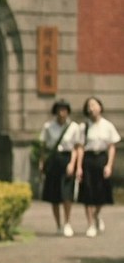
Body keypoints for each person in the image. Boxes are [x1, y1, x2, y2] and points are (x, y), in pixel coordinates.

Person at [77, 96, 120, 237]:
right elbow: (80, 147)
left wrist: (109, 165)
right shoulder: (84, 127)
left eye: (94, 105)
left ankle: (96, 214)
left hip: (101, 158)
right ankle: (90, 224)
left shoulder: (108, 125)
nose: (92, 108)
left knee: (102, 192)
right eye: (89, 106)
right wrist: (79, 167)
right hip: (88, 159)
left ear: (100, 107)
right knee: (88, 191)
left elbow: (112, 146)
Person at [38, 98, 82, 236]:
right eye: (59, 109)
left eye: (64, 109)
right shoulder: (48, 126)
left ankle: (67, 222)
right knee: (54, 195)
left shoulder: (74, 127)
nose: (62, 112)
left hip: (67, 158)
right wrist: (42, 162)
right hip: (53, 160)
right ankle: (58, 224)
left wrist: (73, 164)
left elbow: (76, 147)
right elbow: (43, 146)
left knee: (67, 194)